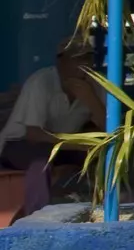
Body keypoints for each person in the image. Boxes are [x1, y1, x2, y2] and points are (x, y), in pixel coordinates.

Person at [0, 41, 103, 172]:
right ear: (61, 63)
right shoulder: (42, 82)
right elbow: (33, 134)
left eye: (88, 58)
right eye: (77, 59)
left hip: (63, 146)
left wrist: (91, 99)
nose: (85, 64)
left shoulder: (96, 84)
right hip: (20, 144)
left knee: (101, 154)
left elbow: (111, 130)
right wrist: (75, 144)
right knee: (40, 161)